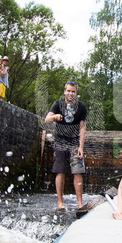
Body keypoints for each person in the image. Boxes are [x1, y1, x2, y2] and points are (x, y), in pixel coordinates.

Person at [44, 81, 87, 209]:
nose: (70, 93)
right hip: (60, 141)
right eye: (68, 91)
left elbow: (82, 128)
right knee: (60, 171)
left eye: (73, 91)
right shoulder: (58, 104)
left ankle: (80, 204)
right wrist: (55, 116)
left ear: (76, 93)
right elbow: (47, 119)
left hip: (75, 142)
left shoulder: (81, 107)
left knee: (78, 171)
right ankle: (60, 203)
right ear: (64, 92)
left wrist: (81, 147)